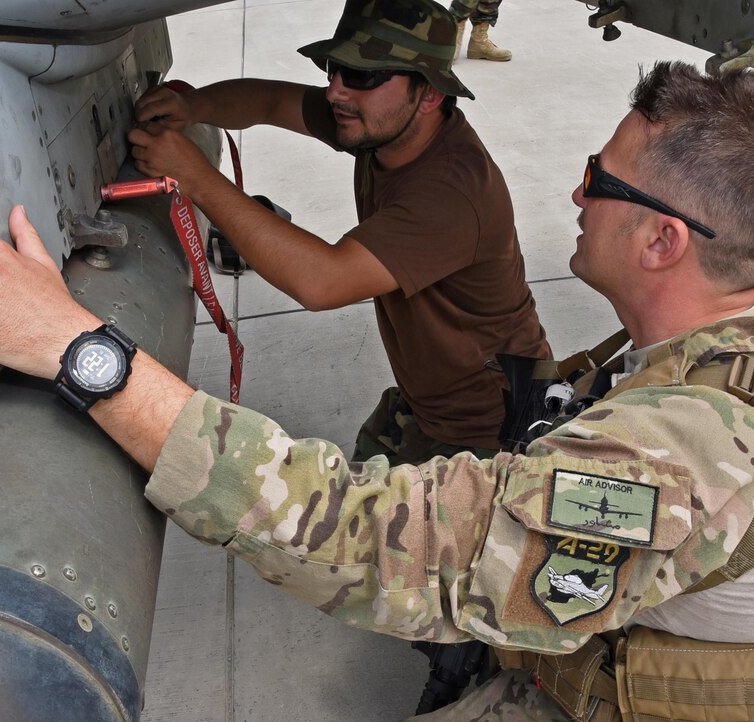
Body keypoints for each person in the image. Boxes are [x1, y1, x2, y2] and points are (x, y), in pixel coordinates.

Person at [0, 62, 754, 722]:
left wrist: (79, 350)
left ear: (661, 241)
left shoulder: (677, 464)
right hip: (694, 645)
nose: (572, 190)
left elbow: (362, 543)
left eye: (599, 181)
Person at [128, 0, 550, 467]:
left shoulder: (451, 193)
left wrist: (197, 176)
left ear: (429, 93)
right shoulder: (386, 126)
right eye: (336, 69)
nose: (335, 91)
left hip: (491, 433)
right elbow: (272, 101)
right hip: (430, 404)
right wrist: (194, 106)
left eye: (364, 76)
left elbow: (323, 281)